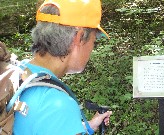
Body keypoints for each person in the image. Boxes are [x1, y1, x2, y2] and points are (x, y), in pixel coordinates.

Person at [13, 0, 112, 135]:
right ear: (79, 37)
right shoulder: (57, 104)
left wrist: (86, 127)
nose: (92, 49)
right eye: (94, 41)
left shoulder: (19, 72)